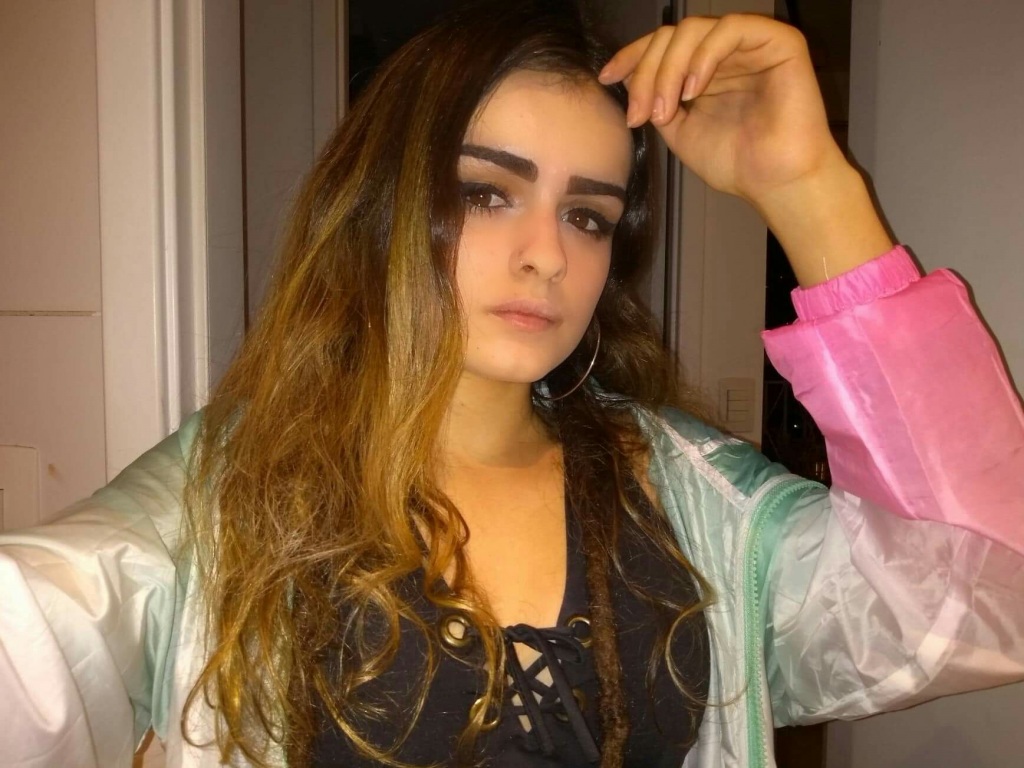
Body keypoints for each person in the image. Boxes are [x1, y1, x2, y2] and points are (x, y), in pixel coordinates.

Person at [2, 3, 1023, 767]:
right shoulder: (223, 501)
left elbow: (984, 590)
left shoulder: (692, 498)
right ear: (381, 209)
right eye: (486, 194)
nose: (547, 255)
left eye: (588, 215)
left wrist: (808, 187)